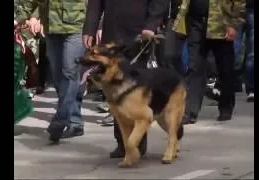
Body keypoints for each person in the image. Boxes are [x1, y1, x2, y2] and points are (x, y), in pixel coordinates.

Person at [83, 0, 170, 158]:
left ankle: (137, 142)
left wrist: (151, 25)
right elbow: (95, 3)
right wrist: (90, 28)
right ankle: (122, 143)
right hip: (112, 37)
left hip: (139, 35)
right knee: (116, 92)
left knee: (135, 94)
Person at [15, 0, 88, 143]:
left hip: (77, 26)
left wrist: (97, 26)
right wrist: (19, 19)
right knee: (58, 76)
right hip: (51, 27)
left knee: (69, 72)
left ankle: (60, 120)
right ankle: (75, 120)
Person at [173, 0, 246, 123]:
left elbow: (239, 2)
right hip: (195, 23)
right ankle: (191, 111)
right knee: (194, 66)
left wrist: (234, 24)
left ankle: (226, 107)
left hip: (221, 25)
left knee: (225, 68)